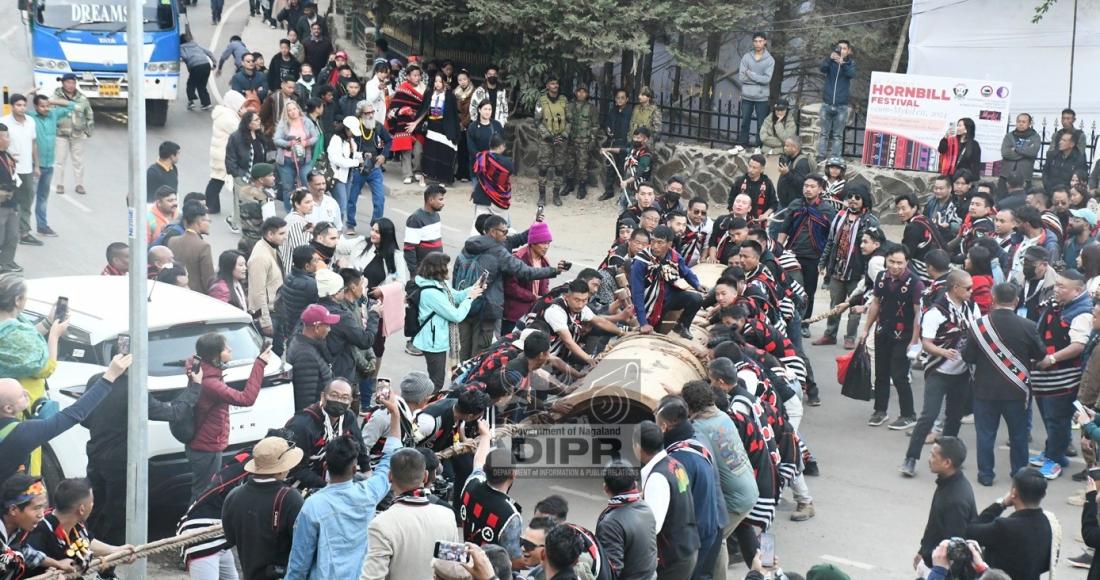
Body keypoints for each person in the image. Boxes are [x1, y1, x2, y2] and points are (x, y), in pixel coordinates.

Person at [284, 394, 402, 580]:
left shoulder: (312, 506)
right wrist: (395, 414)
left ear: (325, 465)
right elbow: (389, 460)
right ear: (355, 468)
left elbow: (299, 562)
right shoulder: (369, 493)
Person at [0, 349, 128, 482]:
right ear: (8, 408)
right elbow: (74, 414)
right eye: (22, 395)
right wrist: (110, 376)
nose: (27, 392)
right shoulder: (22, 433)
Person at [961, 282, 1045, 486]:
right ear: (1016, 301)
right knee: (1018, 435)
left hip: (984, 391)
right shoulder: (1028, 326)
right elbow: (1040, 354)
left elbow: (968, 356)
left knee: (985, 435)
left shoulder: (979, 325)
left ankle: (986, 475)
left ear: (993, 299)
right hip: (1017, 390)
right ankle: (1019, 474)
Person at [900, 270, 980, 477]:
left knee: (954, 418)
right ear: (955, 288)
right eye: (968, 288)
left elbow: (979, 333)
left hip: (962, 373)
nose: (972, 292)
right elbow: (926, 344)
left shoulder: (972, 308)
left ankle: (949, 460)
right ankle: (911, 458)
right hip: (939, 371)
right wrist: (943, 351)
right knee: (928, 416)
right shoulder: (936, 312)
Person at [680, 381, 759, 578]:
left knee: (710, 540)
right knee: (720, 537)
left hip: (735, 498)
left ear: (689, 407)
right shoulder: (723, 416)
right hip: (749, 488)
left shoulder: (698, 429)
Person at [460, 215, 562, 356]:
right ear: (492, 232)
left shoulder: (469, 246)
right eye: (504, 232)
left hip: (465, 305)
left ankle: (459, 375)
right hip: (486, 308)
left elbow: (457, 273)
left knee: (464, 351)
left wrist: (535, 225)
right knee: (480, 353)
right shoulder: (499, 251)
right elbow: (524, 272)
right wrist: (553, 271)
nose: (507, 236)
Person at [188, 333, 271, 501]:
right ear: (215, 355)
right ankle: (193, 523)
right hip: (206, 446)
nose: (230, 349)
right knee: (204, 493)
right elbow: (246, 398)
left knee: (204, 488)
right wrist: (260, 364)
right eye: (226, 348)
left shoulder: (202, 370)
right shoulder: (210, 383)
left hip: (203, 442)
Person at [360, 448, 461, 580]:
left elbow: (372, 577)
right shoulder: (447, 516)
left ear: (390, 476)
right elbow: (455, 567)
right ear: (425, 476)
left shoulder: (381, 524)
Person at [1031, 270, 1093, 479]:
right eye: (1056, 285)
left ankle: (1055, 459)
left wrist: (1051, 359)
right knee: (1052, 418)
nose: (1056, 290)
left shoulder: (1082, 312)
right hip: (1046, 376)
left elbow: (1078, 345)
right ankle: (1053, 451)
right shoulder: (1060, 304)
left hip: (1062, 378)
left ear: (1078, 290)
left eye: (1062, 287)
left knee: (1057, 419)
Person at [218, 436, 304, 580]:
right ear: (281, 469)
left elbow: (231, 539)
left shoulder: (234, 496)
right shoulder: (291, 498)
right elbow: (304, 544)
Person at [859, 245, 923, 429]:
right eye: (892, 262)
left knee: (899, 375)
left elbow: (919, 314)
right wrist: (866, 329)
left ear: (907, 263)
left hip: (904, 335)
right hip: (882, 332)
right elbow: (876, 304)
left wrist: (915, 340)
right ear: (886, 260)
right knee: (881, 373)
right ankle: (880, 411)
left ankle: (908, 414)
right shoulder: (880, 278)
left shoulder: (915, 283)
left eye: (899, 263)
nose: (895, 266)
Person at [23, 477, 135, 577]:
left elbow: (86, 541)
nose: (93, 506)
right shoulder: (39, 531)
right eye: (92, 503)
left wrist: (116, 551)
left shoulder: (77, 524)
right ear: (81, 509)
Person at [634, 420, 700, 579]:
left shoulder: (657, 477)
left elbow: (652, 526)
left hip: (673, 558)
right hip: (687, 547)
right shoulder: (675, 464)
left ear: (638, 447)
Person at [413, 251, 485, 389]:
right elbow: (456, 315)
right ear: (438, 269)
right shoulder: (431, 293)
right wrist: (470, 298)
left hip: (438, 339)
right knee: (436, 382)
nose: (449, 268)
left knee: (435, 380)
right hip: (433, 343)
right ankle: (427, 406)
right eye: (446, 266)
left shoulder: (440, 284)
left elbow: (456, 296)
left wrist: (474, 288)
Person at [966, 468, 1055, 579]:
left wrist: (1001, 504)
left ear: (1014, 493)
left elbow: (971, 531)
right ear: (1044, 494)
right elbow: (1048, 563)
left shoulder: (1004, 527)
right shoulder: (1049, 522)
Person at [777, 174, 838, 337]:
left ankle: (805, 323)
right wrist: (777, 250)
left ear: (820, 189)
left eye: (812, 186)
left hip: (814, 257)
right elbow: (784, 228)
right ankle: (787, 319)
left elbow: (832, 237)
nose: (808, 189)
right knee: (789, 288)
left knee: (809, 291)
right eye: (806, 186)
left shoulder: (828, 210)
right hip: (792, 254)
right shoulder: (796, 205)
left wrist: (826, 261)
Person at [818, 183, 877, 348]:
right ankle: (829, 334)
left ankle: (850, 337)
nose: (853, 200)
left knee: (854, 306)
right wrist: (823, 262)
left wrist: (867, 273)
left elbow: (875, 249)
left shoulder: (870, 221)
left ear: (864, 201)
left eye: (857, 198)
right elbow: (831, 242)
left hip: (857, 271)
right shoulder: (839, 216)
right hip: (837, 268)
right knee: (835, 304)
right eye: (850, 197)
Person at [460, 419, 524, 568]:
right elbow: (513, 560)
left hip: (468, 562)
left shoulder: (471, 484)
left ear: (485, 470)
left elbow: (478, 462)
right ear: (513, 474)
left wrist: (485, 436)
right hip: (492, 572)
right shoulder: (510, 515)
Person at [285, 378, 370, 489]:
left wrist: (367, 470)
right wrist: (328, 488)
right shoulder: (302, 425)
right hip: (305, 483)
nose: (339, 401)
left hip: (337, 476)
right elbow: (296, 469)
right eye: (334, 395)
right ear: (323, 396)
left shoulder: (349, 417)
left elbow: (360, 446)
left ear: (350, 402)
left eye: (344, 398)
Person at [913, 437, 977, 577]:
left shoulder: (955, 501)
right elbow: (934, 525)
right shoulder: (946, 482)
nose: (929, 459)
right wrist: (922, 551)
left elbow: (955, 549)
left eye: (933, 456)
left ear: (947, 463)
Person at [630, 225, 705, 339]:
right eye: (653, 241)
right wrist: (643, 322)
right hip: (650, 302)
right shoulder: (641, 261)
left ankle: (682, 326)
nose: (655, 246)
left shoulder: (674, 256)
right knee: (653, 333)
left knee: (696, 299)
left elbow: (685, 271)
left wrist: (697, 284)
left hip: (669, 297)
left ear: (669, 244)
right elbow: (637, 293)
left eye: (660, 243)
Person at [0, 474, 74, 577]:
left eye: (43, 507)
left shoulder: (18, 531)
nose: (42, 515)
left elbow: (24, 551)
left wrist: (58, 564)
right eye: (36, 508)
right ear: (13, 510)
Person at [595, 460, 658, 580]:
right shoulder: (646, 508)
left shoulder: (610, 523)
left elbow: (611, 572)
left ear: (605, 488)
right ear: (635, 484)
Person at [26, 94, 73, 239]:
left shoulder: (53, 114)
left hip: (48, 165)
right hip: (34, 166)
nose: (46, 108)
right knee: (28, 198)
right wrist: (29, 92)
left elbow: (71, 105)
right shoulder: (31, 116)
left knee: (42, 198)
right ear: (35, 107)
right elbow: (16, 104)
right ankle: (23, 230)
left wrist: (51, 101)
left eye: (47, 106)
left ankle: (42, 226)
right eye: (42, 106)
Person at [0, 94, 40, 248]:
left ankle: (24, 232)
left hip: (27, 168)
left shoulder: (30, 121)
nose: (21, 108)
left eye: (24, 105)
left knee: (27, 200)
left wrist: (36, 165)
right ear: (12, 106)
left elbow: (33, 144)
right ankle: (9, 234)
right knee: (10, 203)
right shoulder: (3, 122)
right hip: (9, 169)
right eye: (18, 105)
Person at [347, 100, 392, 228]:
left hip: (374, 168)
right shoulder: (355, 128)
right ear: (360, 114)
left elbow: (389, 141)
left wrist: (384, 155)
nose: (371, 115)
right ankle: (350, 224)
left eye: (372, 112)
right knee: (352, 199)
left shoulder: (377, 126)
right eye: (367, 113)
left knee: (380, 199)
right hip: (358, 169)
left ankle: (376, 225)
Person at [409, 72, 460, 184]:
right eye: (436, 81)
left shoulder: (450, 96)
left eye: (440, 81)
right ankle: (426, 177)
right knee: (430, 152)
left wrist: (454, 132)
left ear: (444, 82)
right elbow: (424, 110)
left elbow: (453, 115)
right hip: (432, 125)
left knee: (443, 152)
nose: (437, 84)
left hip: (444, 126)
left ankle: (442, 178)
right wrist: (416, 123)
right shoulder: (429, 94)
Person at [286, 303, 337, 411]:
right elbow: (306, 403)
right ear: (317, 327)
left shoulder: (305, 343)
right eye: (327, 325)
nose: (329, 329)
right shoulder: (305, 355)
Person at [52, 73, 94, 196]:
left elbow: (89, 115)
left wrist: (88, 131)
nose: (70, 85)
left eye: (73, 82)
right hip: (60, 134)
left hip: (78, 134)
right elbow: (49, 113)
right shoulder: (55, 97)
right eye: (68, 82)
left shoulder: (82, 98)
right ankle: (59, 184)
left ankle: (79, 184)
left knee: (78, 161)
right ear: (63, 83)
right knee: (60, 160)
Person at [534, 76, 571, 206]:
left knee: (559, 168)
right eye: (552, 83)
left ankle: (556, 195)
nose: (555, 86)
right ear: (547, 86)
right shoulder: (541, 101)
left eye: (556, 83)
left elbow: (569, 120)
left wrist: (564, 134)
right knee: (543, 168)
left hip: (561, 140)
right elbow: (537, 121)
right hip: (546, 141)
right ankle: (542, 196)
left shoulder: (563, 100)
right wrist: (548, 136)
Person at [274, 101, 319, 204]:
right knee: (288, 187)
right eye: (289, 110)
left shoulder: (307, 122)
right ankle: (290, 211)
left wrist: (306, 142)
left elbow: (315, 136)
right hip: (287, 159)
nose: (293, 112)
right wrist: (289, 143)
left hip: (304, 159)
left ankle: (308, 206)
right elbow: (276, 139)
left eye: (294, 109)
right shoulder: (283, 123)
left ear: (298, 109)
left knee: (308, 182)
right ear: (286, 113)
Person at [248, 217, 287, 338]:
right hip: (269, 315)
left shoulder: (271, 248)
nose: (285, 237)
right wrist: (265, 321)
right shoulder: (260, 257)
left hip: (276, 310)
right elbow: (257, 292)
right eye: (281, 233)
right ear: (270, 234)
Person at [816, 40, 855, 159]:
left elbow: (851, 74)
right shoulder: (831, 62)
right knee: (824, 134)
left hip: (841, 106)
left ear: (848, 51)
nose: (841, 50)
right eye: (839, 48)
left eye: (844, 48)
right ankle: (820, 157)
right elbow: (822, 69)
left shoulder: (851, 63)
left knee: (838, 135)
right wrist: (829, 59)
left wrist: (843, 63)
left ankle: (835, 158)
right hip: (827, 104)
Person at [389, 64, 426, 185]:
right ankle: (407, 174)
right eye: (414, 75)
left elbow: (426, 107)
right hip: (404, 123)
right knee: (406, 150)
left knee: (418, 150)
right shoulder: (402, 89)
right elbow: (394, 107)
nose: (417, 77)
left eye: (418, 75)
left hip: (419, 123)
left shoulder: (425, 89)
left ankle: (417, 170)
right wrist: (402, 110)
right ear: (408, 77)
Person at [168, 201, 216, 293]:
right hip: (197, 296)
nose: (209, 224)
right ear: (199, 222)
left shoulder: (172, 241)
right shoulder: (203, 246)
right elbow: (209, 280)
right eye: (208, 221)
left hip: (175, 291)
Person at [403, 184, 446, 282]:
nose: (443, 203)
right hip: (423, 273)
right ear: (431, 200)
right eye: (440, 199)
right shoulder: (416, 219)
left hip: (436, 270)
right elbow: (409, 249)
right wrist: (414, 274)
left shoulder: (436, 216)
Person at [562, 84, 599, 200]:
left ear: (587, 94)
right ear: (576, 93)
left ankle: (582, 187)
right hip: (571, 140)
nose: (581, 94)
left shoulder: (591, 108)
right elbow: (565, 122)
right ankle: (569, 184)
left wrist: (592, 139)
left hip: (584, 141)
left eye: (584, 92)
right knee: (569, 163)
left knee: (582, 165)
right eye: (579, 91)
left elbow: (595, 125)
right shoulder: (570, 106)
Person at [737, 32, 774, 147]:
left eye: (760, 41)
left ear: (765, 42)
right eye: (756, 41)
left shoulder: (769, 60)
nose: (758, 44)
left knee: (761, 124)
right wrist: (758, 79)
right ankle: (743, 144)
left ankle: (759, 146)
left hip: (761, 97)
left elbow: (767, 80)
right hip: (747, 96)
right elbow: (742, 77)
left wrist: (751, 75)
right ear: (753, 42)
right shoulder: (747, 57)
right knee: (744, 122)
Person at [599, 88, 633, 202]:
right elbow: (606, 124)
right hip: (612, 141)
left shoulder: (630, 112)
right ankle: (608, 191)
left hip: (624, 143)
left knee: (624, 169)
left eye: (622, 98)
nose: (620, 100)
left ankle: (624, 195)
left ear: (627, 99)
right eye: (618, 98)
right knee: (611, 167)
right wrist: (607, 130)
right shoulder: (612, 111)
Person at [998, 113, 1041, 194]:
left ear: (1029, 124)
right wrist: (1024, 153)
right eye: (1019, 121)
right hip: (1006, 176)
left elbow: (1032, 152)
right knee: (1001, 202)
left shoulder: (1035, 137)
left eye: (1024, 122)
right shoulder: (1009, 136)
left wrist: (1016, 150)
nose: (1021, 124)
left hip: (1024, 177)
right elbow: (1005, 153)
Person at [726, 154, 776, 223]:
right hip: (739, 222)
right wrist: (734, 214)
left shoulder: (767, 183)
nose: (750, 170)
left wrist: (765, 214)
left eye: (754, 168)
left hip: (758, 222)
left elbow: (774, 204)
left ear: (762, 169)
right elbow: (731, 200)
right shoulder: (740, 181)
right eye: (750, 166)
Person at [283, 188, 316, 274]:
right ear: (297, 204)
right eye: (307, 202)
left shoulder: (299, 218)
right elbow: (300, 250)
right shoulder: (295, 222)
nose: (312, 204)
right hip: (295, 272)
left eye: (312, 201)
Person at [0, 124, 19, 273]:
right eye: (6, 136)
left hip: (12, 203)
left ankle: (6, 264)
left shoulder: (7, 155)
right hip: (1, 205)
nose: (9, 139)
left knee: (12, 236)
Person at [775, 137, 811, 211]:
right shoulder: (789, 158)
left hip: (793, 205)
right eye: (785, 146)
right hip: (783, 203)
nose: (784, 148)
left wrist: (787, 173)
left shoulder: (802, 162)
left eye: (787, 146)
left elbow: (801, 184)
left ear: (795, 148)